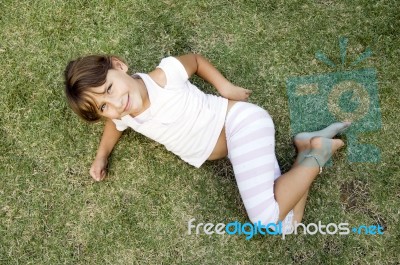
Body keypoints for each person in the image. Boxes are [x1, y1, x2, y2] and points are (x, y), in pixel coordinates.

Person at [64, 53, 350, 229]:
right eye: (103, 107)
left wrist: (225, 87)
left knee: (265, 220)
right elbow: (115, 126)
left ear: (119, 65)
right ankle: (307, 149)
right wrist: (102, 156)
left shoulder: (163, 76)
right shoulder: (125, 115)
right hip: (236, 149)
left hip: (241, 123)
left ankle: (319, 152)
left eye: (109, 89)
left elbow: (196, 61)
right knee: (286, 225)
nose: (115, 103)